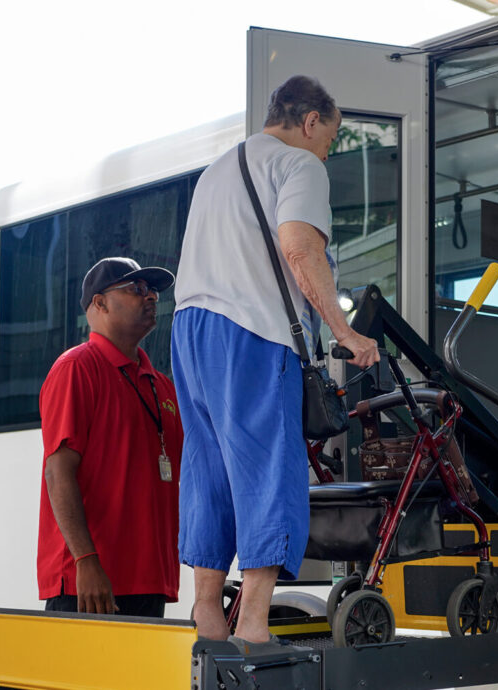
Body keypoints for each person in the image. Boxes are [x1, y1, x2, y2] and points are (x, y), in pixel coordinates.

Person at [171, 75, 379, 652]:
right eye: (330, 141)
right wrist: (344, 331)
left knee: (209, 468)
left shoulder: (217, 171)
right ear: (311, 121)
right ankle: (255, 623)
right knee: (270, 466)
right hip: (252, 333)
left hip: (190, 331)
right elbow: (299, 247)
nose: (326, 153)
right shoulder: (299, 166)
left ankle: (208, 613)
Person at [36, 257, 183, 618]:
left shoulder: (161, 384)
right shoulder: (76, 368)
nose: (150, 298)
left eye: (151, 291)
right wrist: (85, 561)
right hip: (89, 584)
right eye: (136, 289)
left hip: (149, 581)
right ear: (98, 303)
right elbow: (58, 473)